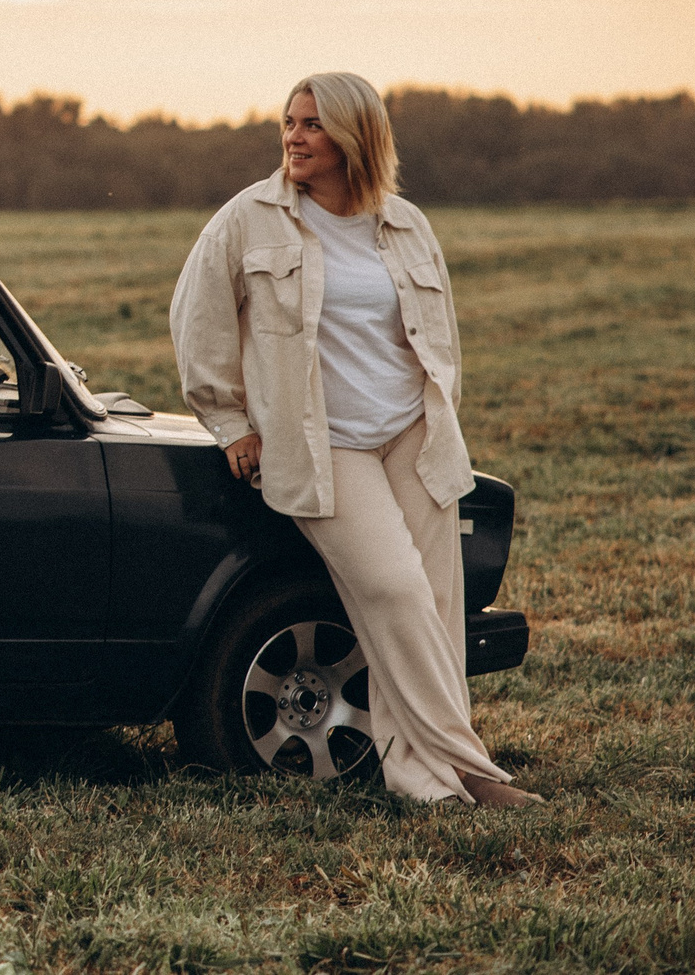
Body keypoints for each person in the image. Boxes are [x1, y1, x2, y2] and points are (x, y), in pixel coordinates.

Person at [170, 74, 538, 807]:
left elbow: (441, 339)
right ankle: (470, 767)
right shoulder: (249, 220)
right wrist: (232, 422)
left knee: (432, 604)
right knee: (394, 590)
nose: (293, 136)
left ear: (353, 136)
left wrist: (439, 414)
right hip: (324, 444)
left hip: (411, 432)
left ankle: (419, 777)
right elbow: (197, 318)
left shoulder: (405, 225)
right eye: (288, 121)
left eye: (312, 124)